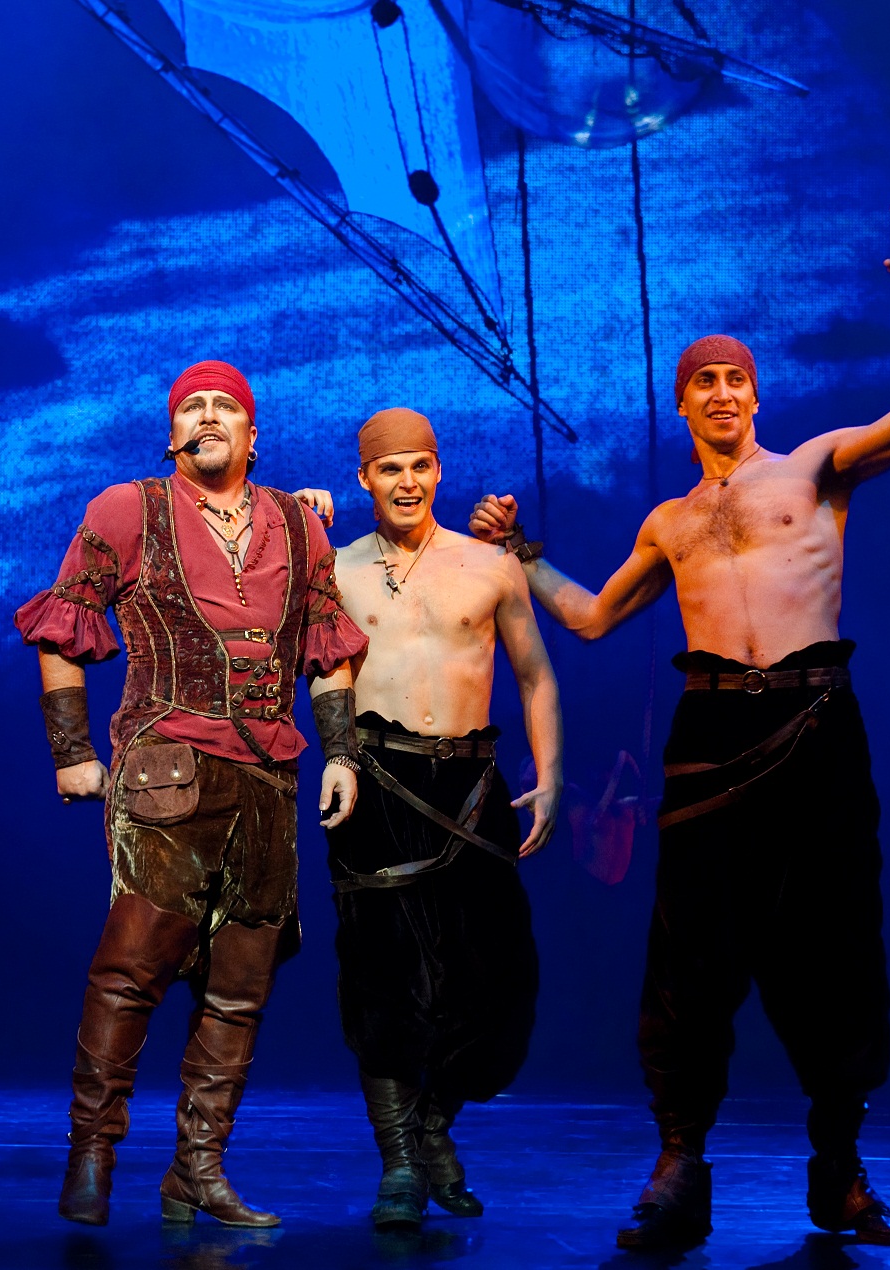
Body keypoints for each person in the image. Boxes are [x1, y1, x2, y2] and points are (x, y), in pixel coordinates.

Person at [470, 204, 890, 1250]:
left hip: (814, 722)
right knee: (691, 951)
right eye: (704, 380)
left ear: (757, 394)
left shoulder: (815, 469)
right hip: (709, 736)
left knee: (834, 944)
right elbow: (592, 619)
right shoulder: (670, 521)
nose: (723, 392)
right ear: (683, 402)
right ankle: (678, 1165)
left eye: (736, 378)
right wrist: (521, 555)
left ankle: (839, 1167)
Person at [15, 360, 367, 1228]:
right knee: (134, 965)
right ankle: (92, 1153)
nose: (207, 416)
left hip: (270, 777)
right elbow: (63, 624)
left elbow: (328, 649)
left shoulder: (300, 524)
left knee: (243, 981)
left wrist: (342, 753)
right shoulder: (127, 509)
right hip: (167, 764)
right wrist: (71, 751)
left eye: (225, 406)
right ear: (172, 432)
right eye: (191, 407)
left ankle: (197, 1170)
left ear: (253, 434)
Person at [328, 408, 561, 1229]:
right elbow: (317, 673)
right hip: (376, 782)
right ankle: (400, 1163)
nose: (408, 482)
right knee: (384, 976)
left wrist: (551, 774)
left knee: (493, 975)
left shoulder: (490, 566)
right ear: (365, 478)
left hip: (471, 783)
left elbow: (534, 674)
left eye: (420, 465)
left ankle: (433, 1126)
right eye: (390, 468)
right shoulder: (336, 570)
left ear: (439, 470)